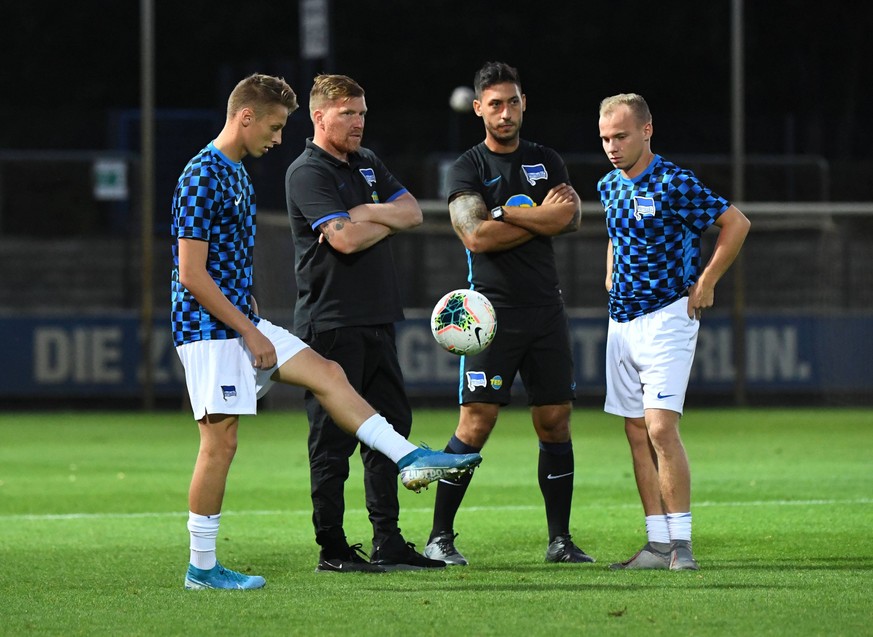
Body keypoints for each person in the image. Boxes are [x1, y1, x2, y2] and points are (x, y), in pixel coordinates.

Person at [171, 73, 482, 590]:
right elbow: (190, 273)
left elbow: (224, 265)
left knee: (328, 373)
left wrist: (250, 315)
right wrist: (248, 330)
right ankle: (202, 568)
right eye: (272, 126)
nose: (276, 137)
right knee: (219, 444)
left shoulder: (237, 173)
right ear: (245, 116)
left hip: (238, 321)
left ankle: (408, 454)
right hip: (211, 331)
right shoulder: (202, 175)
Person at [423, 61, 592, 566]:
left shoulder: (546, 159)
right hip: (489, 315)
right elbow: (475, 235)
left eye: (512, 102)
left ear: (524, 104)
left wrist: (504, 213)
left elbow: (575, 217)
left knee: (555, 420)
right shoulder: (467, 168)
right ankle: (439, 537)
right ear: (479, 108)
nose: (504, 112)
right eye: (494, 104)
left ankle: (560, 541)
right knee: (476, 423)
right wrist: (543, 220)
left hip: (545, 308)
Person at [285, 74, 448, 573]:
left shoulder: (367, 162)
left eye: (361, 113)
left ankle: (388, 542)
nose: (358, 123)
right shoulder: (306, 172)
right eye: (347, 114)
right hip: (330, 322)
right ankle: (332, 548)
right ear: (319, 116)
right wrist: (371, 221)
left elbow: (414, 213)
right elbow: (345, 242)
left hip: (378, 318)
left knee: (390, 430)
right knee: (333, 442)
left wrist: (361, 212)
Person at [597, 93, 750, 571]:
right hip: (620, 322)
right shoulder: (608, 185)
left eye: (621, 136)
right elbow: (615, 235)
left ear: (646, 131)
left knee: (661, 427)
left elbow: (735, 222)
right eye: (605, 138)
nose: (612, 147)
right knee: (636, 432)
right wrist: (611, 271)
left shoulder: (674, 182)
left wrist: (706, 281)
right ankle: (656, 545)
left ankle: (681, 545)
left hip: (667, 317)